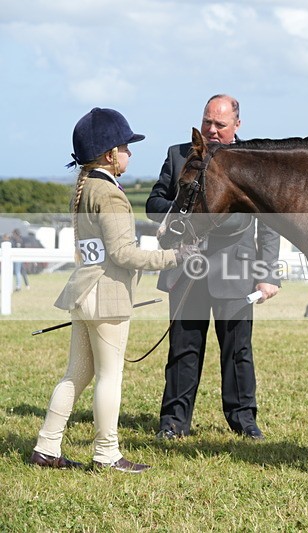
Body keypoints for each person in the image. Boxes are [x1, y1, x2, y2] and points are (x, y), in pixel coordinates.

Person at [30, 108, 196, 472]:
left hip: (83, 291)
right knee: (109, 377)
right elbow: (124, 253)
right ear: (109, 154)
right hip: (107, 297)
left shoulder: (86, 188)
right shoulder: (112, 195)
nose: (129, 153)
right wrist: (175, 256)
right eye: (125, 147)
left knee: (76, 374)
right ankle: (106, 453)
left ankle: (47, 446)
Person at [146, 94, 281, 441]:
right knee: (183, 347)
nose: (211, 129)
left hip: (235, 269)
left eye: (220, 124)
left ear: (237, 125)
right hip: (184, 268)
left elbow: (268, 223)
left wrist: (267, 274)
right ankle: (173, 422)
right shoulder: (179, 155)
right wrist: (184, 210)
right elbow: (153, 203)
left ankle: (243, 420)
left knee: (237, 350)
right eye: (207, 121)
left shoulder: (253, 160)